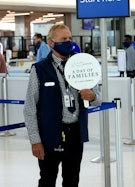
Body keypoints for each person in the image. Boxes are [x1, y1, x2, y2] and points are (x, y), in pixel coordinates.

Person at [23, 24, 101, 187]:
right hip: (50, 135)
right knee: (47, 180)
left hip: (75, 135)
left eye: (70, 38)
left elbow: (98, 99)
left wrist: (92, 96)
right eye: (63, 39)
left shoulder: (82, 64)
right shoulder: (39, 69)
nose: (69, 42)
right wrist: (35, 140)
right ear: (51, 43)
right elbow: (29, 108)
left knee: (72, 180)